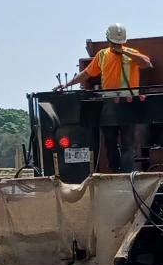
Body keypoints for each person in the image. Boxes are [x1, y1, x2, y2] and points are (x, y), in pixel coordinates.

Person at [64, 25, 153, 170]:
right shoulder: (102, 55)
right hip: (109, 104)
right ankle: (115, 172)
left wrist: (124, 52)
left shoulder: (132, 53)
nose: (116, 45)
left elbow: (146, 64)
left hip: (128, 103)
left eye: (119, 43)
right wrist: (67, 84)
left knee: (127, 143)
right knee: (110, 142)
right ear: (108, 40)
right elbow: (87, 73)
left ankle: (126, 176)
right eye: (114, 42)